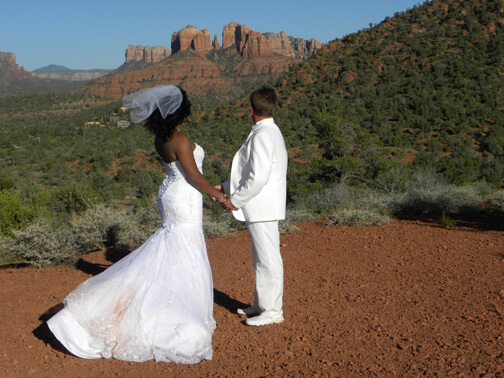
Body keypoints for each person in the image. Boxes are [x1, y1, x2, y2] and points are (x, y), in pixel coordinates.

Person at [47, 85, 226, 363]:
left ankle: (162, 299)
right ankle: (171, 309)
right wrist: (220, 196)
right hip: (184, 197)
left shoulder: (162, 138)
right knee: (183, 243)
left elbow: (184, 174)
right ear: (179, 111)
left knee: (171, 243)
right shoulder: (180, 139)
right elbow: (194, 177)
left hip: (171, 193)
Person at [217, 86, 288, 327]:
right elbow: (249, 171)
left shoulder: (263, 135)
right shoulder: (269, 132)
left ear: (251, 110)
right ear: (273, 108)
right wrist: (226, 186)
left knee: (268, 258)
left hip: (262, 207)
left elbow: (257, 177)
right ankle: (262, 304)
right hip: (261, 207)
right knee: (262, 257)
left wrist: (233, 200)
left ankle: (273, 310)